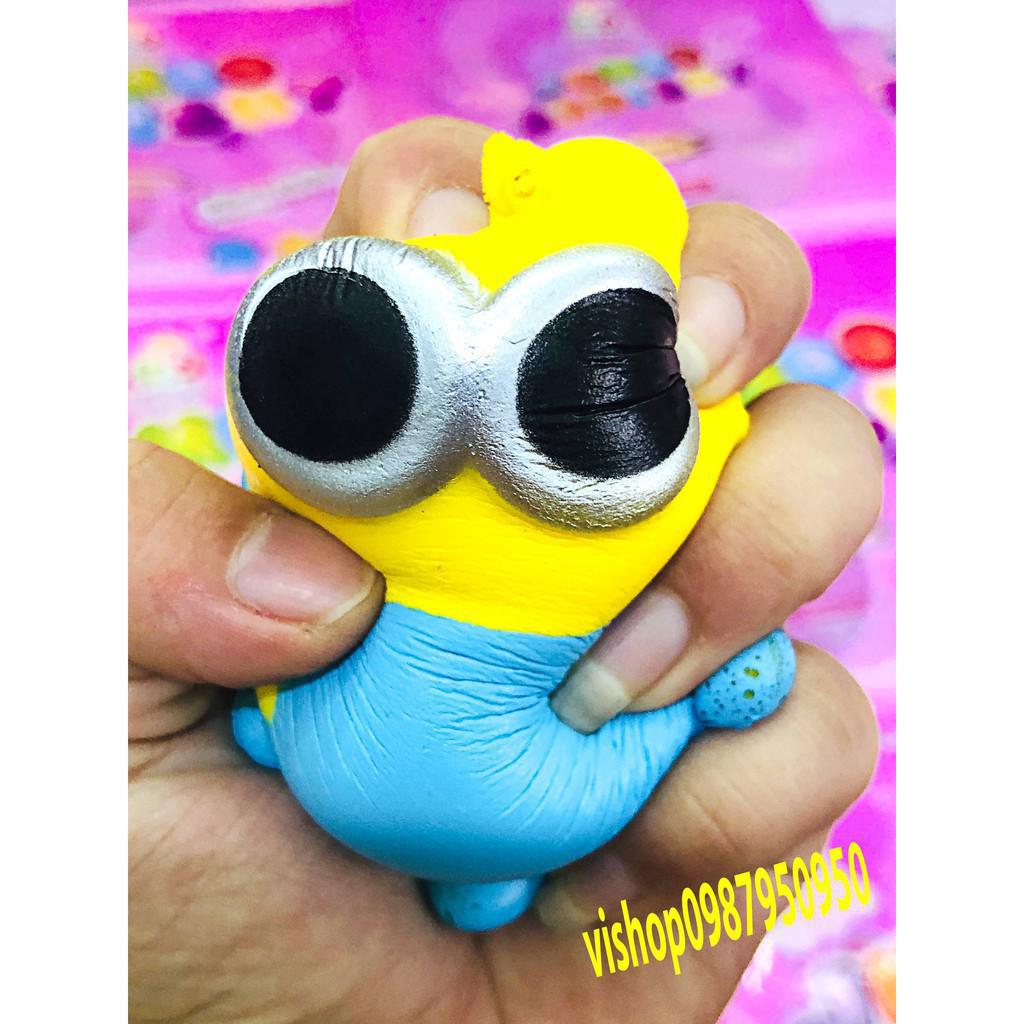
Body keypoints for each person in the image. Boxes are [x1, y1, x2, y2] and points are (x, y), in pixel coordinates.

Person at [129, 117, 881, 1023]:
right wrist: (706, 691)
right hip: (520, 808)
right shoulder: (661, 391)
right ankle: (498, 865)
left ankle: (467, 844)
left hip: (314, 758)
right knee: (705, 685)